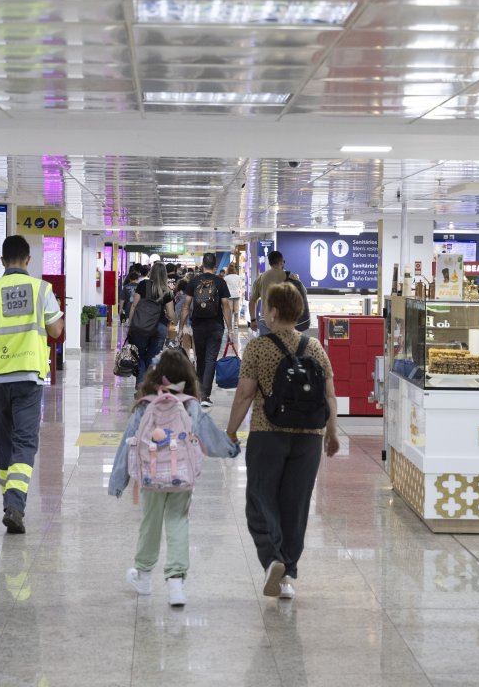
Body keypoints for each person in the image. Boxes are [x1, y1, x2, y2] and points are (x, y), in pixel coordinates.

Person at [226, 283, 339, 599]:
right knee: (296, 505)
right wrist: (332, 432)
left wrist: (231, 430)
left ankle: (272, 558)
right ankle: (287, 575)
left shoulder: (258, 348)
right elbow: (329, 395)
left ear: (273, 312)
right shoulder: (314, 347)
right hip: (309, 438)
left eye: (265, 307)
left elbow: (244, 394)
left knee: (260, 501)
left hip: (268, 433)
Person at [108, 348, 239, 606]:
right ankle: (176, 583)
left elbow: (128, 443)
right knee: (178, 522)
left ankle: (144, 577)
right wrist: (231, 448)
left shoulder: (145, 405)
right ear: (187, 376)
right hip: (181, 476)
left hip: (150, 477)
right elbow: (210, 437)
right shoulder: (190, 405)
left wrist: (118, 482)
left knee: (150, 523)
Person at [0, 235, 65, 534]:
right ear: (28, 259)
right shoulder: (42, 289)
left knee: (5, 444)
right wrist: (56, 311)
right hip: (28, 376)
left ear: (2, 261)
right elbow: (56, 330)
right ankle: (15, 505)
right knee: (25, 442)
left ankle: (10, 503)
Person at [177, 253, 232, 407]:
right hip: (216, 325)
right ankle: (205, 395)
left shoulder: (194, 282)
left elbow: (186, 306)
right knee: (210, 358)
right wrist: (230, 329)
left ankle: (199, 392)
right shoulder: (220, 282)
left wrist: (181, 328)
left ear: (202, 265)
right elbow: (226, 306)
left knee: (200, 358)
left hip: (198, 325)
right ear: (215, 266)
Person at [127, 261, 174, 387]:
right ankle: (149, 385)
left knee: (140, 355)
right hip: (160, 327)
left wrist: (130, 324)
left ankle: (140, 384)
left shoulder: (143, 284)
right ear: (164, 275)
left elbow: (134, 305)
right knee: (153, 357)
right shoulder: (167, 291)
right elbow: (171, 315)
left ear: (151, 272)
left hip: (141, 326)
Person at [249, 250, 307, 335]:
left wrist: (253, 320)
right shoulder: (290, 276)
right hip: (284, 321)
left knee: (265, 343)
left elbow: (252, 301)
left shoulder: (260, 278)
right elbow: (303, 292)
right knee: (283, 343)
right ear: (281, 262)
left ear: (270, 263)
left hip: (265, 320)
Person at [224, 261, 244, 334]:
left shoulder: (226, 278)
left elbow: (225, 287)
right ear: (234, 269)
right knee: (236, 310)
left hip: (229, 295)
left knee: (230, 311)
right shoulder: (238, 277)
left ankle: (229, 325)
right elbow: (240, 286)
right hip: (237, 294)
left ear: (228, 269)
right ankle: (236, 324)